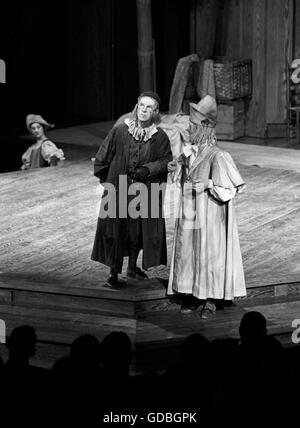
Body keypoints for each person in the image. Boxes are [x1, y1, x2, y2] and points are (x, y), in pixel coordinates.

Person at [167, 95, 246, 319]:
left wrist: (209, 183)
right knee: (190, 250)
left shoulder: (218, 155)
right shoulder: (191, 152)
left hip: (210, 214)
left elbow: (231, 188)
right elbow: (186, 170)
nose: (188, 129)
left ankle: (210, 298)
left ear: (204, 127)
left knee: (208, 252)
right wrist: (178, 166)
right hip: (191, 212)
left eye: (191, 125)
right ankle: (193, 292)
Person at [91, 91, 172, 286]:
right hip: (118, 186)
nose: (144, 110)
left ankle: (132, 267)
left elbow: (166, 160)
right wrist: (107, 180)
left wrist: (148, 169)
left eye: (149, 108)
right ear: (137, 106)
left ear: (155, 112)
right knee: (114, 228)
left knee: (136, 230)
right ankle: (112, 273)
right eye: (142, 106)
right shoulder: (120, 130)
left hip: (142, 189)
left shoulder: (159, 136)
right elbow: (104, 154)